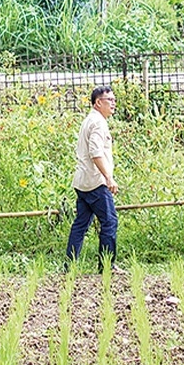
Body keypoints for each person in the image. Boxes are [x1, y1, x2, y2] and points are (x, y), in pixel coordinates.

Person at [66, 85, 121, 271]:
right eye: (109, 100)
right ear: (98, 103)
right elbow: (95, 152)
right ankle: (106, 265)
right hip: (95, 182)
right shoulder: (98, 123)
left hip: (82, 181)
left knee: (80, 224)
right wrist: (108, 178)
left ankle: (70, 264)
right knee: (109, 222)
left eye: (114, 100)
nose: (113, 104)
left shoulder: (89, 120)